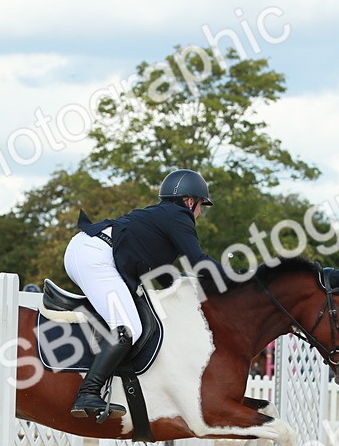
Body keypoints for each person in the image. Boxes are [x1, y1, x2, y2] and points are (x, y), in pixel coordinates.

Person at [63, 168, 222, 420]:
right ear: (190, 201)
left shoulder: (161, 219)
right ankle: (88, 393)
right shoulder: (180, 216)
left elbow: (167, 278)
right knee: (128, 327)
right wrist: (241, 277)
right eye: (201, 205)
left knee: (130, 317)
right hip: (95, 257)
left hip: (87, 249)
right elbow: (199, 261)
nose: (200, 213)